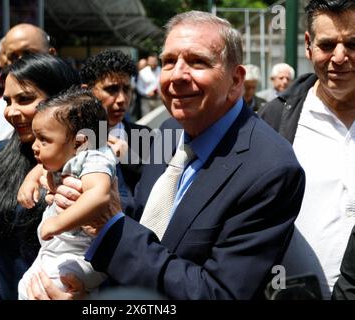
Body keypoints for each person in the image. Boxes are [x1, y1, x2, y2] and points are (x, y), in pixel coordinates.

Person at [28, 11, 305, 300]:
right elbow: (143, 215)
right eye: (169, 61)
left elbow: (217, 294)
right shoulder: (170, 129)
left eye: (197, 61)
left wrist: (108, 227)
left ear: (236, 80)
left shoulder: (271, 170)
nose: (177, 76)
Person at [0, 53, 80, 300]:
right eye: (7, 101)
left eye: (25, 99)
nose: (11, 112)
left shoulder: (93, 164)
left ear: (64, 99)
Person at [259, 0, 355, 299]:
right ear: (308, 45)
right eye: (328, 45)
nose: (340, 57)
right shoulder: (275, 119)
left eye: (353, 44)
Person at [18, 49, 151, 213]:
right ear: (87, 91)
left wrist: (129, 157)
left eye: (127, 89)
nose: (122, 99)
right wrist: (32, 179)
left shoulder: (146, 137)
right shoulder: (59, 135)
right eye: (112, 89)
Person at [18, 88, 116, 299]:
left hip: (83, 256)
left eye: (43, 139)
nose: (35, 146)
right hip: (56, 251)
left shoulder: (95, 158)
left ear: (79, 143)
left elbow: (99, 195)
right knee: (25, 286)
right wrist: (29, 181)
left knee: (51, 287)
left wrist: (57, 223)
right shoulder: (67, 154)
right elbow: (43, 166)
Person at [0, 23, 56, 180]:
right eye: (13, 57)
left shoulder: (83, 106)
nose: (20, 62)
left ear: (51, 54)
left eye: (29, 54)